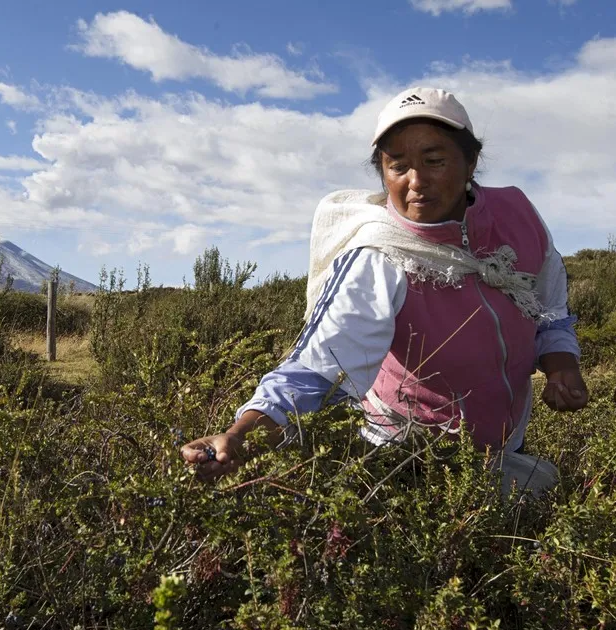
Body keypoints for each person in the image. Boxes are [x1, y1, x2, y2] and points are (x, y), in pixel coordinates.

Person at [179, 87, 588, 495]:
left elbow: (549, 306)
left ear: (470, 163)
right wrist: (240, 436)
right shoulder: (380, 257)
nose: (416, 182)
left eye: (434, 161)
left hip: (507, 438)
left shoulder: (516, 216)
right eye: (398, 166)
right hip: (409, 454)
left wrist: (560, 364)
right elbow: (320, 368)